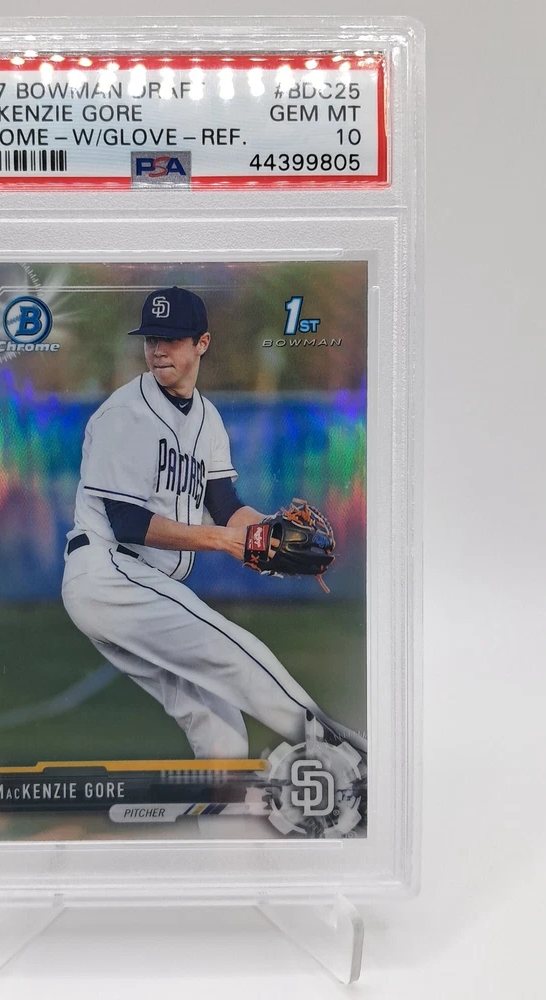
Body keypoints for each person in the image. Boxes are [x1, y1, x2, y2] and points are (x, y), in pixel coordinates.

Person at [61, 287, 366, 761]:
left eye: (171, 338)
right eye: (151, 339)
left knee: (221, 734)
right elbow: (127, 523)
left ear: (202, 342)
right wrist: (225, 541)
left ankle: (223, 807)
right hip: (108, 573)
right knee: (231, 650)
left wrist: (267, 532)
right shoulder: (124, 414)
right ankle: (340, 753)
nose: (158, 349)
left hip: (139, 583)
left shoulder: (208, 419)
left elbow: (224, 505)